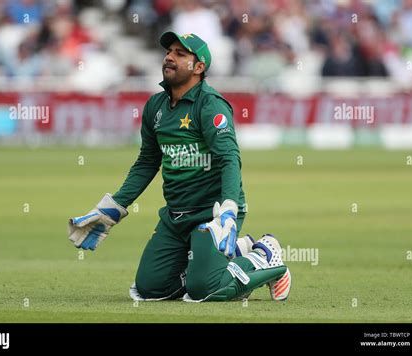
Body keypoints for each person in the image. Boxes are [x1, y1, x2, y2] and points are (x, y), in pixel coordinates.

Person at [67, 32, 291, 302]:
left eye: (180, 54)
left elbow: (229, 159)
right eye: (169, 52)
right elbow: (147, 162)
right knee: (150, 289)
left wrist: (229, 210)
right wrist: (113, 208)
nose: (169, 57)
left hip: (214, 215)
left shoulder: (210, 105)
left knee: (204, 289)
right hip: (175, 217)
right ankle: (235, 252)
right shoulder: (155, 106)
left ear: (199, 67)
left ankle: (265, 257)